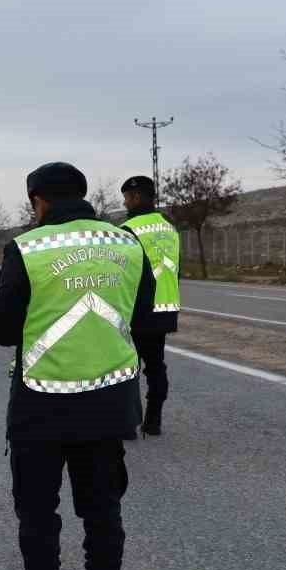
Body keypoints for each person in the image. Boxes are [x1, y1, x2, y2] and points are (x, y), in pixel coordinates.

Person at [0, 162, 154, 570]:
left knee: (39, 513)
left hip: (42, 402)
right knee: (103, 511)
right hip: (110, 397)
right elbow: (141, 316)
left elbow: (3, 331)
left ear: (38, 201)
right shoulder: (127, 243)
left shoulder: (28, 248)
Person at [119, 175, 181, 437]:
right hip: (166, 306)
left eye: (126, 198)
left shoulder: (128, 229)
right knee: (156, 365)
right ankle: (153, 421)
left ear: (135, 197)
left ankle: (128, 424)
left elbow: (122, 272)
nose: (125, 202)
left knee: (126, 366)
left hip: (136, 309)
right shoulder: (170, 227)